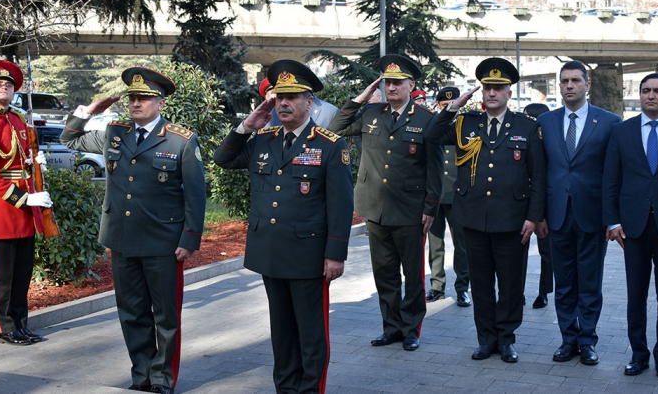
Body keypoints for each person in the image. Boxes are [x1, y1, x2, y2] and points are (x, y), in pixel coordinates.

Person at [61, 68, 206, 394]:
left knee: (165, 316)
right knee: (131, 312)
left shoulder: (180, 139)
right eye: (132, 98)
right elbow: (68, 139)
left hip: (163, 242)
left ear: (160, 102)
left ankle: (162, 378)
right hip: (122, 238)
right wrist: (88, 112)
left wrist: (190, 238)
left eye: (143, 98)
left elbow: (196, 193)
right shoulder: (115, 131)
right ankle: (141, 374)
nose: (135, 103)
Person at [213, 59, 353, 393]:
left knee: (310, 332)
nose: (284, 103)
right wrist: (247, 125)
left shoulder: (330, 145)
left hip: (308, 255)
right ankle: (285, 388)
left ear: (309, 102)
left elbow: (341, 204)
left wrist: (335, 255)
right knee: (282, 331)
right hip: (270, 254)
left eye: (292, 96)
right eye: (279, 97)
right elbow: (223, 159)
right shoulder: (263, 139)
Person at [426, 57, 546, 363]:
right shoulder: (466, 123)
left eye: (499, 88)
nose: (492, 93)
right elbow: (430, 136)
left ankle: (506, 339)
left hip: (512, 220)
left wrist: (533, 216)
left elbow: (538, 176)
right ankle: (486, 339)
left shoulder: (527, 127)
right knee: (480, 284)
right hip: (474, 218)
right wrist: (454, 106)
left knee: (510, 285)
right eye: (487, 88)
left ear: (509, 93)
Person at [328, 54, 442, 352]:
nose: (391, 87)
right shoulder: (370, 113)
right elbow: (334, 129)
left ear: (410, 85)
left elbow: (434, 166)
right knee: (384, 273)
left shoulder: (425, 119)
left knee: (412, 275)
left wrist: (431, 206)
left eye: (397, 82)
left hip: (410, 210)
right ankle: (390, 327)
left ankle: (411, 328)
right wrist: (360, 98)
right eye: (387, 82)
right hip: (374, 208)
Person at [603, 73, 658, 380]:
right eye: (645, 91)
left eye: (657, 91)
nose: (650, 95)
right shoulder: (622, 131)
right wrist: (613, 221)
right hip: (633, 228)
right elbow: (611, 180)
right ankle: (638, 355)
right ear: (640, 96)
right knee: (635, 295)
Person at [536, 61, 620, 365]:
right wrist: (539, 215)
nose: (569, 86)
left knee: (590, 282)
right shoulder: (545, 122)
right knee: (564, 281)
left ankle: (588, 341)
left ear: (587, 85)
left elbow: (614, 174)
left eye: (574, 81)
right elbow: (539, 172)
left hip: (592, 215)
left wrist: (614, 219)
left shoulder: (609, 122)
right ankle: (567, 339)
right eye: (564, 81)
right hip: (557, 215)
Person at [0, 60, 52, 345]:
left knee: (21, 273)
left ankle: (19, 322)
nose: (4, 87)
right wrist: (24, 197)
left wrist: (36, 164)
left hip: (26, 210)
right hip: (1, 209)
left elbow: (24, 160)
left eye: (9, 85)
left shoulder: (16, 119)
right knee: (1, 277)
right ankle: (3, 327)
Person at [425, 86, 471, 307]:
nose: (449, 109)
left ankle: (462, 287)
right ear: (438, 105)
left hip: (458, 196)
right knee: (435, 244)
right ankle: (436, 287)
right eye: (444, 106)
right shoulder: (433, 125)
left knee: (462, 245)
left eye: (452, 106)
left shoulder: (465, 129)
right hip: (434, 196)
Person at [521, 103, 552, 310]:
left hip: (543, 206)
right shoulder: (519, 140)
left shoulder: (549, 144)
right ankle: (518, 291)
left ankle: (544, 292)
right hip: (520, 203)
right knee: (517, 251)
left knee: (546, 253)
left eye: (530, 118)